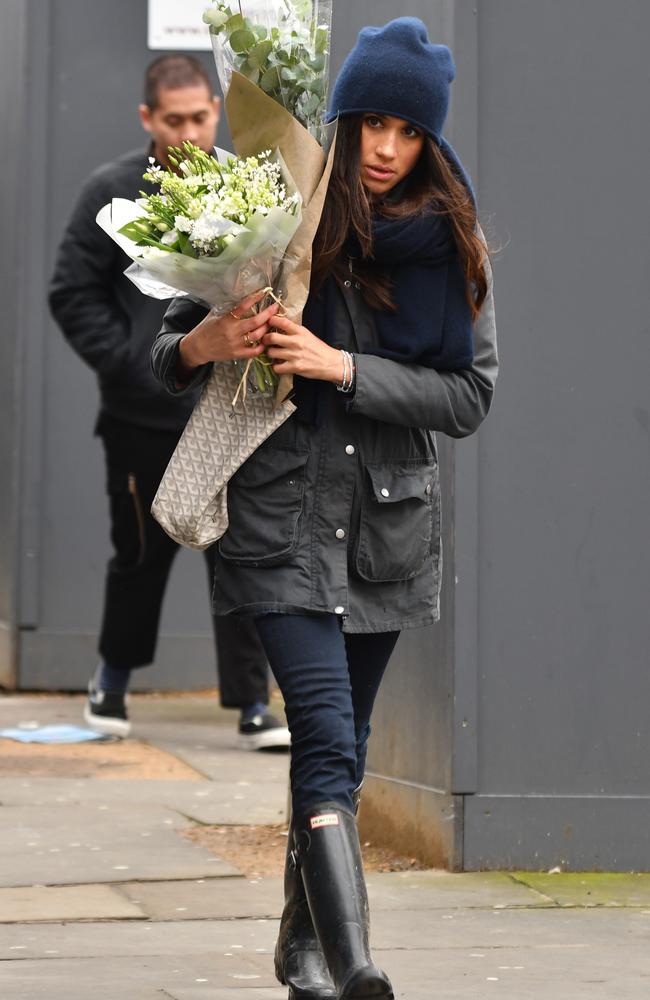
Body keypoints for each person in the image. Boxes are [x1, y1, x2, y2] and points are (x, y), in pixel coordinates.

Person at [151, 19, 498, 1000]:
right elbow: (163, 349)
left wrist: (343, 366)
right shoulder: (274, 207)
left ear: (431, 141)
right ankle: (355, 966)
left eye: (409, 131)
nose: (386, 148)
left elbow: (469, 397)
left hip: (383, 530)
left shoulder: (450, 243)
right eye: (371, 123)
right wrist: (205, 343)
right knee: (327, 735)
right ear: (340, 121)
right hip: (275, 519)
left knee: (331, 754)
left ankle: (300, 949)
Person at [48, 55, 289, 751]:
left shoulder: (243, 183)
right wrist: (132, 364)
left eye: (200, 115)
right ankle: (112, 680)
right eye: (174, 118)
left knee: (238, 552)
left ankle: (251, 704)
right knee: (139, 552)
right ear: (148, 118)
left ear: (216, 109)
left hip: (227, 411)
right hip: (140, 414)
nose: (189, 130)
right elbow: (72, 292)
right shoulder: (112, 189)